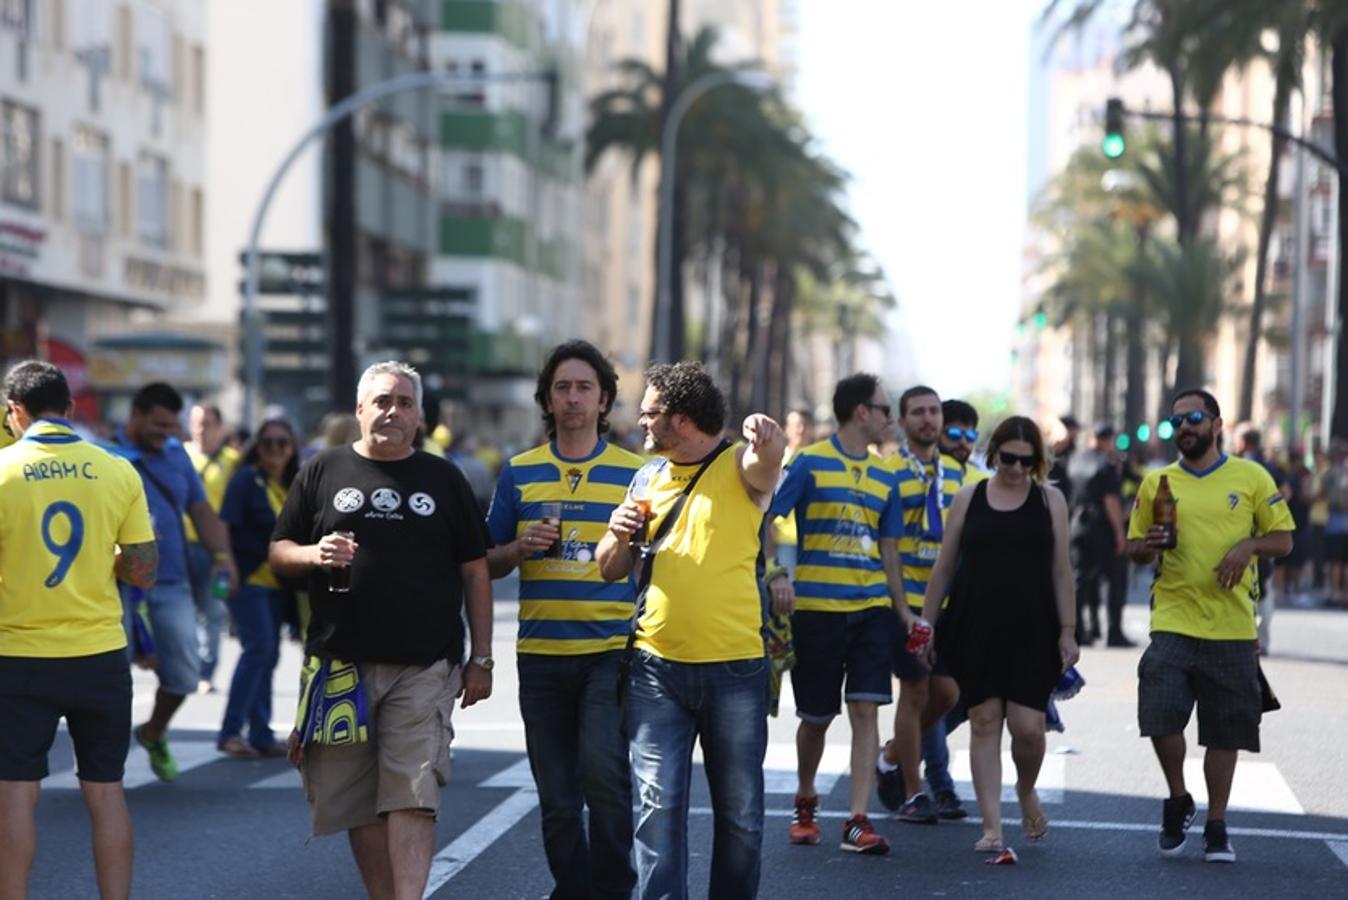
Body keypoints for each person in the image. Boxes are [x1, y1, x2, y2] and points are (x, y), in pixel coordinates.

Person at [269, 361, 493, 899]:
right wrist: (312, 553)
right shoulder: (322, 470)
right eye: (382, 401)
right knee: (357, 799)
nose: (393, 411)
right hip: (339, 665)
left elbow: (475, 570)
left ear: (419, 417)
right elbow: (278, 553)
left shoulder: (444, 478)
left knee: (414, 791)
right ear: (360, 410)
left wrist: (481, 658)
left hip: (425, 665)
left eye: (404, 403)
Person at [596, 362, 784, 900]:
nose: (641, 422)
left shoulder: (737, 467)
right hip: (655, 671)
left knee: (741, 814)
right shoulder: (647, 477)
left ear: (680, 419)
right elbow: (609, 568)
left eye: (649, 412)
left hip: (735, 669)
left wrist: (767, 438)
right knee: (657, 810)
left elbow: (766, 464)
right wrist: (617, 534)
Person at [485, 341, 642, 899]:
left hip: (609, 651)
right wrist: (517, 548)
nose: (572, 399)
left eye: (584, 388)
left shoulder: (635, 473)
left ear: (603, 401)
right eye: (562, 388)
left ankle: (613, 889)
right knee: (556, 797)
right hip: (542, 656)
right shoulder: (520, 472)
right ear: (547, 401)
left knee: (604, 779)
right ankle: (575, 890)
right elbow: (486, 560)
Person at [0, 361, 158, 900]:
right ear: (69, 410)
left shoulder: (2, 471)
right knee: (106, 793)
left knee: (16, 798)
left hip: (17, 654)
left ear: (13, 411)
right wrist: (106, 556)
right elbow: (143, 570)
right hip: (99, 654)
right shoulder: (116, 470)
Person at [1127, 389, 1293, 863]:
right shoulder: (1157, 481)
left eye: (1194, 418)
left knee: (1225, 731)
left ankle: (1217, 823)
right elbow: (1134, 547)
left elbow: (1284, 539)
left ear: (1217, 424)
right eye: (1176, 421)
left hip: (1233, 624)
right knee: (1159, 712)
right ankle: (1179, 797)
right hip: (1173, 619)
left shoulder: (1252, 477)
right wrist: (1150, 545)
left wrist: (1248, 548)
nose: (1184, 427)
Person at [920, 416, 1079, 853]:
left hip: (1034, 626)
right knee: (984, 720)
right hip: (975, 623)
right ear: (993, 454)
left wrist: (1068, 631)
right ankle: (992, 826)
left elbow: (1062, 571)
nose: (1015, 468)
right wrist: (926, 625)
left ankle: (1026, 790)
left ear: (1038, 462)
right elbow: (945, 567)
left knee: (1029, 728)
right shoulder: (969, 498)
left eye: (1026, 461)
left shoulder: (1051, 502)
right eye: (1008, 458)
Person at [765, 375, 900, 855]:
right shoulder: (809, 463)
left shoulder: (888, 475)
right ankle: (806, 799)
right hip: (817, 612)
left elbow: (889, 550)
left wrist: (903, 612)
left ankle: (857, 821)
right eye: (886, 409)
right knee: (817, 718)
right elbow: (765, 517)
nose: (892, 418)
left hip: (871, 612)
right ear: (861, 412)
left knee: (866, 710)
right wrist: (776, 575)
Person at [108, 382, 237, 783]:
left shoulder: (176, 455)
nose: (166, 433)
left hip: (170, 582)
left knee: (184, 675)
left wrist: (223, 557)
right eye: (159, 425)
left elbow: (200, 509)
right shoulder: (103, 456)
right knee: (110, 678)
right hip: (115, 585)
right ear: (136, 415)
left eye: (171, 426)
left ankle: (153, 733)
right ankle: (104, 761)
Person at [877, 386, 964, 824]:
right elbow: (885, 543)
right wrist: (900, 609)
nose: (928, 419)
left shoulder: (959, 474)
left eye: (934, 411)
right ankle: (914, 793)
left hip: (945, 604)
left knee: (947, 693)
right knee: (914, 691)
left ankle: (891, 753)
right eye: (918, 412)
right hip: (906, 601)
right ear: (902, 420)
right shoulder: (888, 471)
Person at [216, 418, 300, 759]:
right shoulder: (245, 480)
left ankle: (261, 733)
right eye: (268, 443)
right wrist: (227, 565)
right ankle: (230, 731)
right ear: (257, 447)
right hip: (248, 578)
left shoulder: (295, 481)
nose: (275, 450)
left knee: (269, 654)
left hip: (280, 583)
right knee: (259, 649)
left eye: (282, 443)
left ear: (292, 447)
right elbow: (224, 524)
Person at [184, 403, 241, 692]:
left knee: (212, 611)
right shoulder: (179, 455)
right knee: (183, 611)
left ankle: (206, 671)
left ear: (219, 427)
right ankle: (189, 666)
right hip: (181, 549)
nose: (200, 429)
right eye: (195, 422)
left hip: (215, 550)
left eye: (207, 423)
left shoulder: (233, 461)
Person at [1068, 422, 1132, 647]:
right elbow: (1111, 500)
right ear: (1108, 439)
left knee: (1080, 579)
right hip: (1101, 527)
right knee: (1116, 579)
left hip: (1077, 524)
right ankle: (1114, 632)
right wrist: (1119, 533)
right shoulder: (1106, 464)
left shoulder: (1076, 460)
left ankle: (1079, 630)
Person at [1237, 428, 1288, 651]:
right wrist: (1272, 512)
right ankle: (1262, 639)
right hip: (1265, 535)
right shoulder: (1270, 466)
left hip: (1242, 534)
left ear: (1244, 442)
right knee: (1264, 586)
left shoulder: (1236, 466)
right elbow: (1287, 491)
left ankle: (1248, 636)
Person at [770, 408, 814, 579]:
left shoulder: (817, 460)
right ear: (785, 429)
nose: (800, 430)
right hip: (784, 540)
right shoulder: (775, 460)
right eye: (796, 425)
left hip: (811, 539)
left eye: (805, 425)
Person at [1047, 414, 1081, 507]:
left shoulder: (1072, 449)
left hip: (1066, 496)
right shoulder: (1053, 449)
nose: (1076, 433)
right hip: (1052, 494)